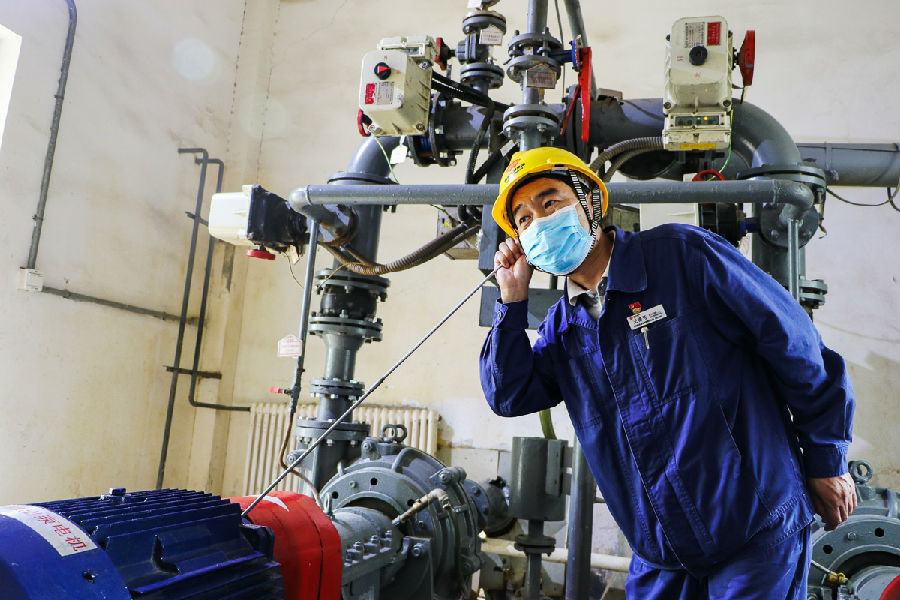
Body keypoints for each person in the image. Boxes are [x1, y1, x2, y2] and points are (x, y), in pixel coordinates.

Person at [479, 147, 856, 599]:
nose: (538, 222)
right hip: (660, 554)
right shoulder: (563, 327)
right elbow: (508, 394)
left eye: (550, 202)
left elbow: (797, 347)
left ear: (592, 203)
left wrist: (826, 461)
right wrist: (512, 301)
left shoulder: (681, 257)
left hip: (752, 532)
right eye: (522, 219)